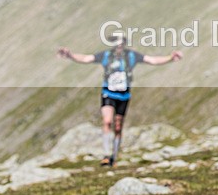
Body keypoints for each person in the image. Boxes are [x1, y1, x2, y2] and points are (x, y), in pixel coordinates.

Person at [57, 33, 182, 166]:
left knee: (118, 126)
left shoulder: (131, 56)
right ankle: (106, 155)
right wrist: (70, 55)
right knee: (107, 121)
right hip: (108, 93)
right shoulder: (106, 55)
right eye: (116, 41)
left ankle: (114, 156)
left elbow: (152, 60)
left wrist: (170, 58)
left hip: (123, 95)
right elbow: (86, 58)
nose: (119, 43)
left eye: (121, 41)